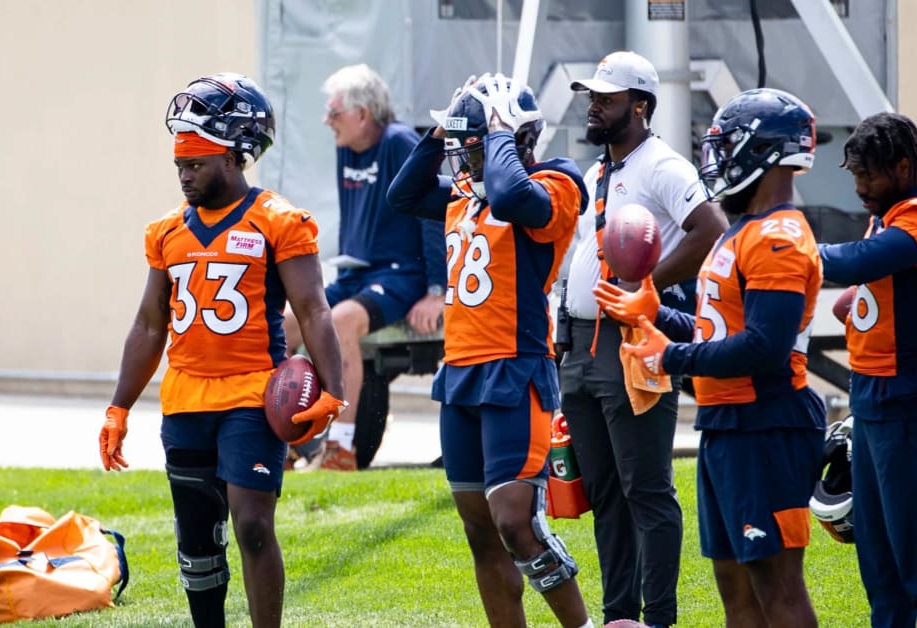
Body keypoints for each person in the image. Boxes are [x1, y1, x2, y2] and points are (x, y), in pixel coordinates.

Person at [98, 73, 346, 628]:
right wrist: (119, 406)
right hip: (185, 399)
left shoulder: (278, 220)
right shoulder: (166, 231)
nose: (185, 176)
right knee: (197, 539)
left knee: (253, 524)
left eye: (197, 165)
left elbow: (314, 309)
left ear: (235, 159)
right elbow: (147, 324)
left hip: (254, 395)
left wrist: (334, 391)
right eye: (180, 166)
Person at [598, 87, 826, 627]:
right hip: (728, 424)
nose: (717, 161)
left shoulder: (779, 235)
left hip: (767, 421)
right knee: (736, 587)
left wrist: (669, 356)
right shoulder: (743, 230)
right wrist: (652, 315)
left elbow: (765, 348)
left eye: (727, 148)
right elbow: (716, 329)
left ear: (763, 152)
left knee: (777, 584)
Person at [388, 72, 590, 627]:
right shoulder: (463, 194)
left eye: (473, 147)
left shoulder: (557, 181)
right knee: (481, 530)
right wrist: (440, 133)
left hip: (516, 369)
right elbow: (402, 194)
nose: (465, 161)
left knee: (515, 521)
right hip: (461, 372)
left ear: (517, 137)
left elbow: (510, 194)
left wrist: (497, 134)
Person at [557, 50, 727, 628]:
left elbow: (712, 228)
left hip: (631, 340)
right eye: (592, 97)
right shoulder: (596, 172)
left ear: (639, 105)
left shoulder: (663, 165)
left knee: (645, 489)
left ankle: (659, 618)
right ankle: (618, 617)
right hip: (581, 344)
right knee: (604, 491)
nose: (593, 106)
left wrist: (647, 287)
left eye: (605, 98)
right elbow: (580, 257)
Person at [818, 111, 917, 626]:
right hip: (875, 393)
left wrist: (783, 248)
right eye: (856, 175)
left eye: (869, 175)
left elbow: (864, 258)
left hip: (910, 396)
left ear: (904, 166)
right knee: (879, 562)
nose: (860, 187)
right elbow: (877, 272)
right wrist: (859, 302)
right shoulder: (897, 201)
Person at [282, 63, 446, 471]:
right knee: (280, 322)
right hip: (357, 272)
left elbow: (433, 213)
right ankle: (281, 441)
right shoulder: (347, 148)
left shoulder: (400, 142)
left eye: (334, 113)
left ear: (362, 114)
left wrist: (436, 289)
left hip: (400, 274)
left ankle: (341, 449)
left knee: (340, 323)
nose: (327, 121)